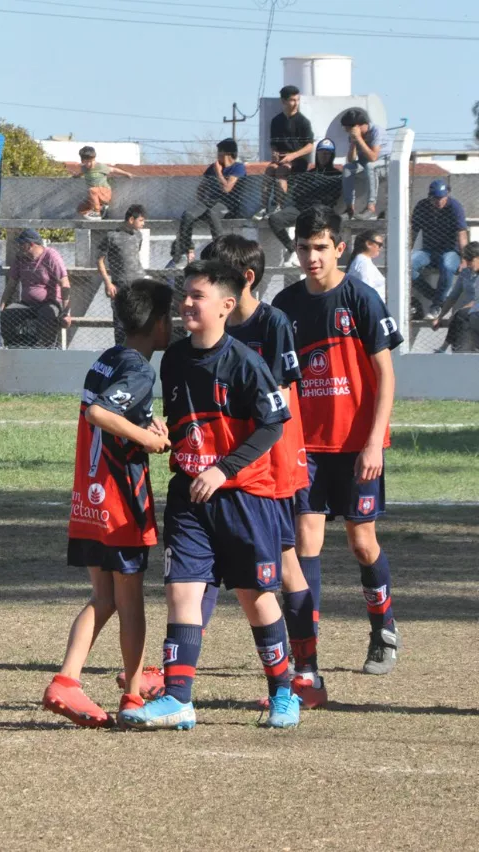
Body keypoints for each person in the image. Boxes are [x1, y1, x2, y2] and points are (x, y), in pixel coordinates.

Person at [119, 259, 299, 732]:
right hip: (190, 496)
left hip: (244, 498)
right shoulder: (175, 358)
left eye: (197, 296)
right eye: (185, 296)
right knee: (181, 590)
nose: (186, 304)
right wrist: (161, 430)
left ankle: (284, 691)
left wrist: (224, 469)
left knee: (255, 597)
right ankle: (178, 698)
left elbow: (273, 424)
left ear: (226, 305)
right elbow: (189, 424)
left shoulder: (244, 362)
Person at [272, 205, 404, 676]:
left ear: (339, 248)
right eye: (304, 248)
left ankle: (383, 629)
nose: (311, 256)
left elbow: (385, 376)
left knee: (361, 543)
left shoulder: (362, 299)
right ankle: (306, 654)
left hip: (356, 447)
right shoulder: (285, 306)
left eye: (321, 247)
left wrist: (374, 443)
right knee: (306, 539)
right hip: (305, 448)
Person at [200, 235, 326, 709]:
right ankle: (176, 668)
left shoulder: (271, 323)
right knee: (211, 557)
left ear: (244, 280)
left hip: (271, 460)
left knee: (286, 561)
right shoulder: (213, 327)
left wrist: (261, 454)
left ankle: (307, 675)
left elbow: (280, 401)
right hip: (232, 461)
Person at [42, 279, 172, 728]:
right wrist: (148, 443)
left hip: (90, 497)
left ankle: (67, 681)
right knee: (129, 600)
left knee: (103, 597)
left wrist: (148, 422)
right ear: (159, 324)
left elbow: (115, 409)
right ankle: (133, 696)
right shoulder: (140, 369)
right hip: (120, 503)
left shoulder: (107, 359)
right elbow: (101, 412)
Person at [168, 138, 245, 266]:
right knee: (188, 215)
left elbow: (227, 189)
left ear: (227, 154)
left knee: (212, 214)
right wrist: (202, 203)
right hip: (210, 202)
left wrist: (219, 173)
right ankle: (186, 252)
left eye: (219, 152)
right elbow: (201, 188)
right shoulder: (212, 168)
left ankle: (221, 251)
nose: (217, 155)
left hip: (227, 204)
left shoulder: (238, 168)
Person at [267, 138, 342, 268]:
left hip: (319, 211)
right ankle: (294, 249)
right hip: (301, 208)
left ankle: (304, 253)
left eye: (328, 153)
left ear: (332, 155)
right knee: (275, 219)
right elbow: (298, 193)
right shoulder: (309, 174)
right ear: (317, 154)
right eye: (322, 152)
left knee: (311, 224)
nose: (324, 156)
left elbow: (333, 198)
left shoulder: (336, 175)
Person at [2, 228, 71, 348]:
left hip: (49, 302)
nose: (19, 246)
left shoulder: (50, 256)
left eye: (21, 244)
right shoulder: (20, 258)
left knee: (48, 314)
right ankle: (17, 346)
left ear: (31, 244)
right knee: (8, 315)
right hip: (27, 303)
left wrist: (66, 312)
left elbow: (65, 284)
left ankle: (46, 348)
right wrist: (1, 306)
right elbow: (11, 284)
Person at [253, 85, 315, 220]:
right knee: (270, 170)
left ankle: (279, 207)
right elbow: (273, 143)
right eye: (292, 100)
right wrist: (274, 152)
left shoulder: (303, 121)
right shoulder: (276, 121)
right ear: (283, 101)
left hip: (298, 161)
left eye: (297, 100)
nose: (295, 103)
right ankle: (264, 208)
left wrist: (292, 156)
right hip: (281, 159)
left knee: (281, 172)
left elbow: (310, 146)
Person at [413, 180, 469, 319]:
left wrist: (464, 259)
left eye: (442, 197)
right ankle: (435, 295)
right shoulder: (422, 206)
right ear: (429, 196)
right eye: (435, 198)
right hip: (428, 251)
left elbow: (462, 234)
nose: (439, 201)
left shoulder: (455, 207)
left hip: (450, 251)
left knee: (447, 263)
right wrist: (405, 251)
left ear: (447, 195)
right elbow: (413, 232)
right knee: (407, 265)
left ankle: (437, 306)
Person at [97, 205, 147, 344]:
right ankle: (120, 352)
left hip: (138, 285)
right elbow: (100, 261)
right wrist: (108, 283)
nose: (143, 224)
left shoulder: (138, 235)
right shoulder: (112, 236)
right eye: (141, 220)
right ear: (131, 219)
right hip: (120, 285)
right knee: (120, 325)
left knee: (138, 322)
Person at [431, 241, 479, 353]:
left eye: (470, 260)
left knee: (461, 316)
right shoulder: (466, 272)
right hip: (466, 317)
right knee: (461, 319)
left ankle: (444, 348)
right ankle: (448, 349)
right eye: (465, 260)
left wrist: (459, 312)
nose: (467, 264)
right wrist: (440, 316)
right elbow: (453, 296)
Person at [340, 108, 385, 220]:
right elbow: (351, 160)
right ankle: (350, 209)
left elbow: (373, 157)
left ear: (357, 126)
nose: (346, 131)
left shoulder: (376, 130)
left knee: (371, 166)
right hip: (365, 165)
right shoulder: (353, 135)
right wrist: (353, 143)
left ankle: (371, 207)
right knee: (348, 168)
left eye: (347, 128)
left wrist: (359, 139)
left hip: (384, 164)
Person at [76, 146, 134, 220]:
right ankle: (101, 209)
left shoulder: (100, 166)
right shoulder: (84, 168)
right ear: (82, 161)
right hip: (93, 197)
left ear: (94, 159)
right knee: (80, 208)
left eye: (91, 161)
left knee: (92, 190)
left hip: (105, 192)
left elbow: (113, 169)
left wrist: (126, 173)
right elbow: (81, 173)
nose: (89, 164)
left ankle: (97, 213)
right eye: (86, 162)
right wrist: (76, 175)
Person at [347, 230, 386, 303]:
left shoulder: (363, 260)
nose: (380, 248)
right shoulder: (363, 263)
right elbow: (366, 291)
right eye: (379, 245)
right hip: (372, 308)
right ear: (368, 243)